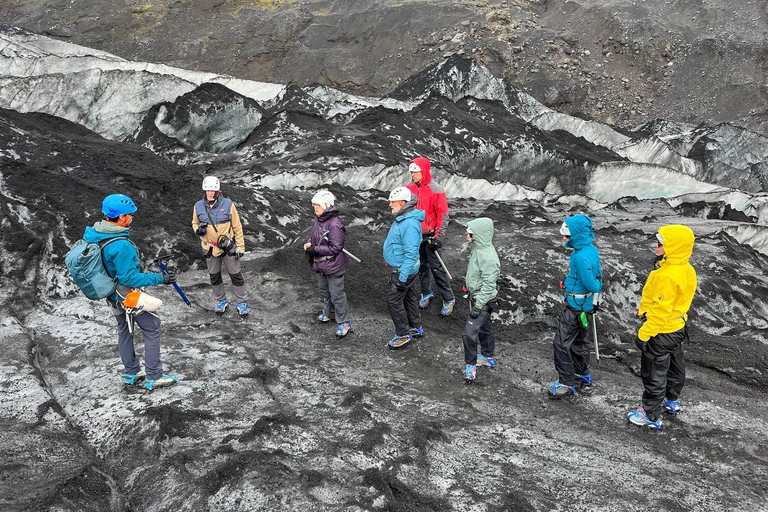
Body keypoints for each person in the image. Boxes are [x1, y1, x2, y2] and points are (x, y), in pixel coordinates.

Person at [82, 194, 178, 391]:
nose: (132, 218)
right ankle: (153, 376)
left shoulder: (96, 235)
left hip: (111, 294)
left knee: (124, 331)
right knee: (152, 327)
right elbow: (129, 278)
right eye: (130, 215)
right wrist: (160, 278)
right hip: (127, 294)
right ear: (121, 217)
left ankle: (131, 373)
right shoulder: (121, 244)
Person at [627, 225, 697, 430]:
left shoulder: (666, 275)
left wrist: (644, 334)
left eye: (661, 243)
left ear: (673, 247)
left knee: (654, 372)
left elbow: (660, 311)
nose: (656, 245)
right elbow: (674, 303)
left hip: (661, 331)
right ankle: (672, 400)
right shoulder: (686, 269)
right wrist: (644, 310)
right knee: (675, 365)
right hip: (677, 328)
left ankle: (651, 415)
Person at [548, 214, 602, 398]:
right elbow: (597, 274)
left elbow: (591, 282)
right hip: (585, 306)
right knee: (579, 341)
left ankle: (566, 383)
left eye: (567, 235)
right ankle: (582, 373)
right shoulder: (591, 250)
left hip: (575, 306)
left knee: (561, 343)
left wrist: (595, 288)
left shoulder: (579, 257)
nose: (564, 239)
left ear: (577, 235)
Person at [192, 176, 250, 317]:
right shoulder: (198, 206)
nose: (210, 193)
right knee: (214, 276)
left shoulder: (228, 204)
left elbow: (237, 227)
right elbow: (194, 223)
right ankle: (221, 301)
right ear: (204, 191)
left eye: (212, 191)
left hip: (228, 247)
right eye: (207, 191)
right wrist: (198, 230)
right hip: (210, 248)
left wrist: (240, 247)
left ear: (218, 191)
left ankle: (242, 303)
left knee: (236, 275)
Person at [406, 157, 456, 317]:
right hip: (415, 235)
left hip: (431, 236)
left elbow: (443, 215)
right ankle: (426, 293)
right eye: (411, 171)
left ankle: (449, 299)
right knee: (421, 266)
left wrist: (438, 237)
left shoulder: (436, 189)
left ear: (424, 171)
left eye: (415, 171)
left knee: (436, 268)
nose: (412, 174)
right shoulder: (409, 188)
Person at [303, 190, 352, 338]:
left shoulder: (335, 225)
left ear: (326, 205)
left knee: (337, 294)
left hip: (333, 265)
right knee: (324, 290)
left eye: (318, 204)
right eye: (314, 204)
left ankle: (344, 323)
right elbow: (315, 235)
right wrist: (309, 242)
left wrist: (315, 249)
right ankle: (329, 313)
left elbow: (336, 248)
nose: (315, 207)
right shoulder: (319, 219)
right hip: (321, 264)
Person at [383, 186, 425, 349]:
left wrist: (402, 277)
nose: (390, 205)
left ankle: (403, 334)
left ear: (403, 202)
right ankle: (415, 327)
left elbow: (411, 254)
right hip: (404, 269)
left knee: (394, 300)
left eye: (393, 202)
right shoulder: (403, 218)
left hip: (403, 270)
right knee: (408, 296)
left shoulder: (409, 224)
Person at [461, 218, 501, 383]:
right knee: (485, 327)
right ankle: (487, 356)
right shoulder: (479, 248)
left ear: (479, 235)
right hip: (478, 296)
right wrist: (469, 286)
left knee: (469, 334)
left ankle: (471, 366)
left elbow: (489, 284)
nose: (467, 237)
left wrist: (478, 305)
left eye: (470, 234)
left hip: (483, 299)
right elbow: (478, 274)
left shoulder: (489, 258)